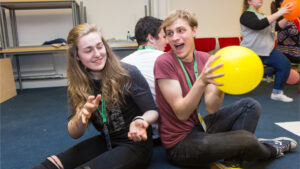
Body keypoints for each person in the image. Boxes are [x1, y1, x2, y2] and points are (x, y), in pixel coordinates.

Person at [154, 9, 298, 168]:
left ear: (194, 30)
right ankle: (270, 148)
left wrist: (222, 83)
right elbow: (181, 114)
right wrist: (201, 81)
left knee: (250, 105)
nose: (175, 37)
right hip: (180, 144)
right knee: (246, 139)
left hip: (199, 128)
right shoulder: (164, 63)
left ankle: (234, 158)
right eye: (170, 33)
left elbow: (211, 107)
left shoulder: (205, 59)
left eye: (181, 30)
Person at [32, 23, 159, 169]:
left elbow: (152, 111)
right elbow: (74, 133)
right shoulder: (77, 84)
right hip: (108, 140)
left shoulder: (128, 73)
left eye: (99, 46)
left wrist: (141, 120)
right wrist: (81, 117)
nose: (97, 54)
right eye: (88, 50)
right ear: (77, 56)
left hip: (135, 144)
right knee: (50, 165)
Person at [122, 16, 167, 142]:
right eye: (164, 37)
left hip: (135, 133)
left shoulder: (122, 64)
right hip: (167, 134)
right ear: (150, 38)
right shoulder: (169, 60)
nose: (167, 41)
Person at [240, 0, 294, 102]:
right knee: (244, 75)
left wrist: (288, 17)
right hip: (251, 52)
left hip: (268, 51)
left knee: (285, 65)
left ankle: (277, 92)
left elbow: (277, 27)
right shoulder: (246, 15)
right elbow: (258, 25)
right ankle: (263, 73)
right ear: (249, 1)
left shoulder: (263, 15)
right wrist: (280, 12)